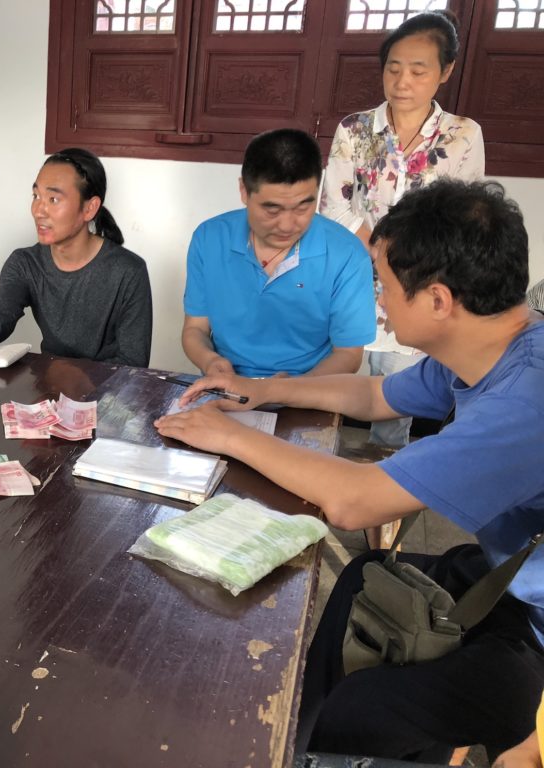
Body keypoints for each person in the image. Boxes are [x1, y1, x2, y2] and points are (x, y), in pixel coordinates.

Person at [156, 180, 544, 762]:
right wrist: (261, 391)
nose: (377, 299)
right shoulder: (491, 345)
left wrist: (228, 435)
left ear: (438, 301)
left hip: (533, 626)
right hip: (505, 574)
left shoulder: (525, 402)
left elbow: (355, 502)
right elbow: (373, 395)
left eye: (383, 285)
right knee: (363, 579)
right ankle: (304, 737)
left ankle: (323, 743)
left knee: (362, 710)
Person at [321, 10, 485, 447]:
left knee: (395, 410)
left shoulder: (462, 136)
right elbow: (334, 205)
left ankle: (381, 498)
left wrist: (405, 267)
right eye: (393, 68)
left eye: (418, 70)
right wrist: (381, 254)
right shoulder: (354, 130)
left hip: (416, 294)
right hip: (351, 283)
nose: (402, 81)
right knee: (328, 395)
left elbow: (464, 220)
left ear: (445, 71)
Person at [0, 148, 152, 367]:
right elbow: (2, 313)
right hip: (50, 388)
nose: (39, 210)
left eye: (53, 199)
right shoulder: (26, 263)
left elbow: (133, 360)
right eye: (36, 196)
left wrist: (81, 380)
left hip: (108, 393)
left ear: (90, 208)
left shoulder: (128, 271)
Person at [182, 129, 375, 378]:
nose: (286, 225)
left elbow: (348, 355)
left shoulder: (347, 255)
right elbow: (195, 329)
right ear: (244, 191)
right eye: (271, 209)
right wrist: (210, 362)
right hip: (227, 384)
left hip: (309, 391)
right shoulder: (209, 239)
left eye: (303, 206)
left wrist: (283, 391)